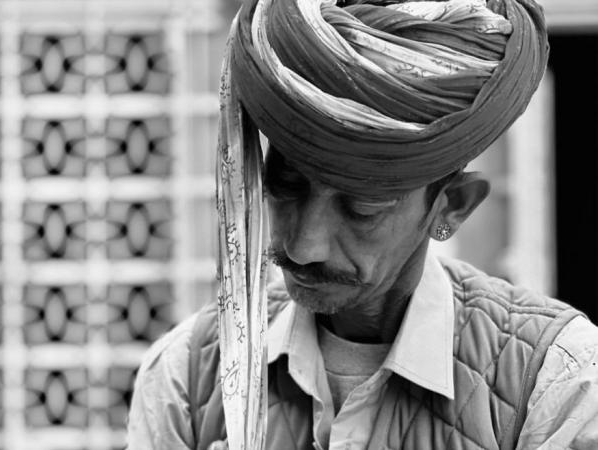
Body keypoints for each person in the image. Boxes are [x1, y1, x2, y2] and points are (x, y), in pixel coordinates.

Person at [128, 0, 598, 448]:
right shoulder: (187, 375)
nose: (302, 245)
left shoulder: (555, 379)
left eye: (362, 208)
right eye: (286, 186)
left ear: (452, 207)